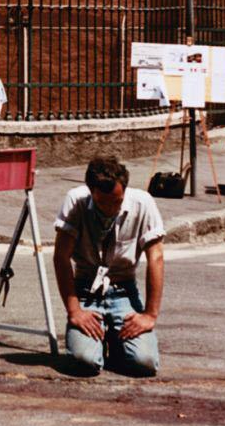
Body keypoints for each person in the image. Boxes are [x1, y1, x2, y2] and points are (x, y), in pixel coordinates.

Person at [52, 154, 165, 377]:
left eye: (117, 202)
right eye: (103, 202)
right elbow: (61, 257)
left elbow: (156, 257)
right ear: (91, 192)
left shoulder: (143, 203)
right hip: (87, 292)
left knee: (145, 363)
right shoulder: (76, 201)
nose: (110, 208)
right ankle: (96, 338)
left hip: (123, 290)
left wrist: (150, 315)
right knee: (85, 362)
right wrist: (74, 310)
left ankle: (114, 338)